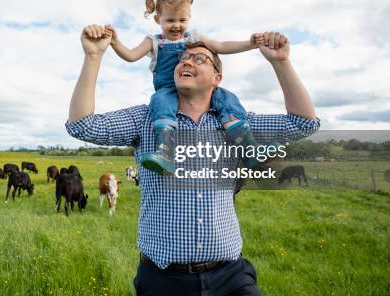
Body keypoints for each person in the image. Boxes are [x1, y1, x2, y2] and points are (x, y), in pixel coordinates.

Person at [66, 26, 319, 295]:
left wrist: (281, 62)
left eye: (199, 59)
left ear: (216, 78)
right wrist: (93, 57)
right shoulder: (146, 119)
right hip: (164, 281)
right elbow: (82, 126)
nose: (186, 61)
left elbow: (303, 123)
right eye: (182, 59)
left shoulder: (237, 124)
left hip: (231, 276)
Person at [105, 0, 275, 175]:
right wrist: (115, 42)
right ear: (157, 20)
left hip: (198, 91)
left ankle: (249, 149)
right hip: (169, 90)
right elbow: (130, 56)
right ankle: (165, 152)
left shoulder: (192, 38)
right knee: (159, 101)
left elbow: (220, 46)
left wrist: (250, 44)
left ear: (189, 19)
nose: (177, 25)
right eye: (170, 20)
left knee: (228, 98)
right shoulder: (154, 42)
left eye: (182, 20)